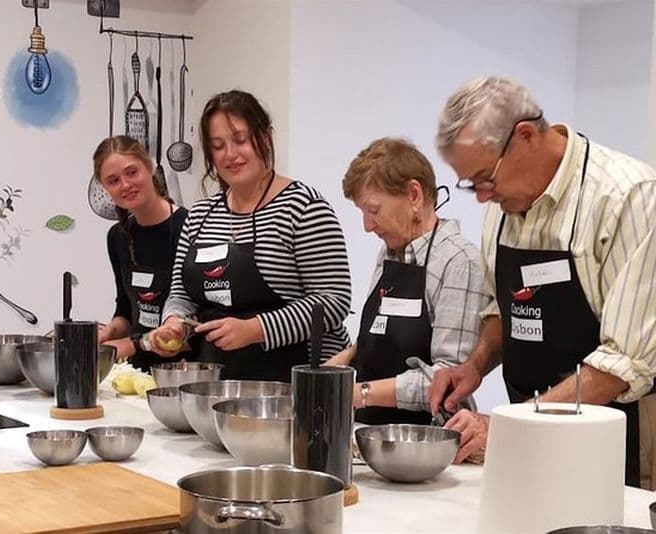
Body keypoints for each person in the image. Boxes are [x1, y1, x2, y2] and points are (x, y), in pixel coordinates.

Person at [429, 76, 656, 487]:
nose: (481, 197)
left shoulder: (629, 197)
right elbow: (508, 306)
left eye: (485, 178)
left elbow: (624, 364)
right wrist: (475, 366)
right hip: (533, 428)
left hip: (618, 435)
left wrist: (513, 424)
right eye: (471, 184)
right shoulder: (503, 202)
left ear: (526, 135)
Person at [148, 89, 351, 382]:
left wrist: (257, 329)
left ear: (265, 138)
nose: (230, 155)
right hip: (222, 383)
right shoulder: (201, 214)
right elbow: (181, 293)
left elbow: (333, 301)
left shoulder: (303, 207)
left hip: (296, 382)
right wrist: (174, 324)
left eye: (240, 140)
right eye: (218, 146)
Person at [324, 138, 488, 425]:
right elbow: (380, 337)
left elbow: (446, 380)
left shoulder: (459, 261)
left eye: (373, 211)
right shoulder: (388, 254)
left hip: (427, 440)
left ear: (414, 195)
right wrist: (339, 366)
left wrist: (356, 393)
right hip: (370, 429)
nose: (367, 226)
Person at [93, 135, 190, 373]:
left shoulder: (190, 227)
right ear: (105, 188)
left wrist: (133, 344)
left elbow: (197, 320)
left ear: (151, 167)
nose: (125, 185)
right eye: (113, 180)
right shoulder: (117, 237)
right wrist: (110, 331)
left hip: (185, 373)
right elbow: (126, 310)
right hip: (138, 374)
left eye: (132, 172)